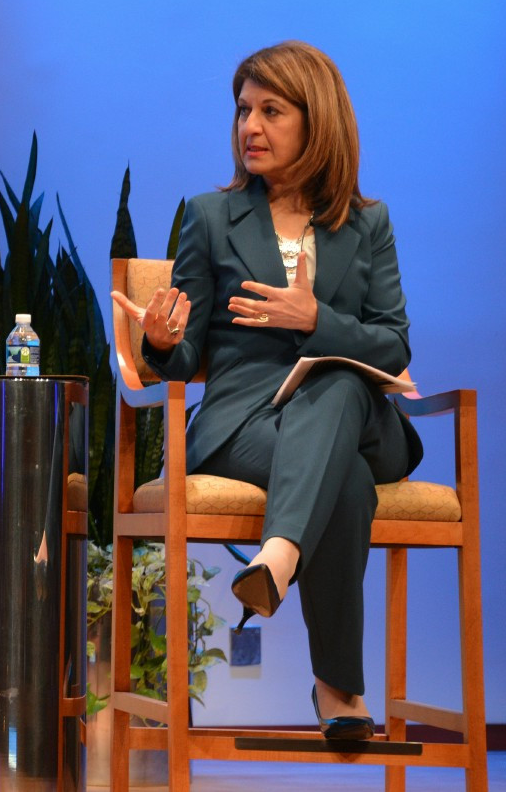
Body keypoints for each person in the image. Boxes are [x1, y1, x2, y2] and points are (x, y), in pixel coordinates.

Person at [112, 41, 423, 741]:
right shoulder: (211, 216)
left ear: (317, 123)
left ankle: (277, 556)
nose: (249, 125)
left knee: (339, 376)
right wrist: (162, 339)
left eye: (270, 110)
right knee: (341, 479)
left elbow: (394, 342)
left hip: (362, 421)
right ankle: (339, 689)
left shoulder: (367, 224)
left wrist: (317, 321)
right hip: (246, 424)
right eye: (243, 110)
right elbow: (186, 349)